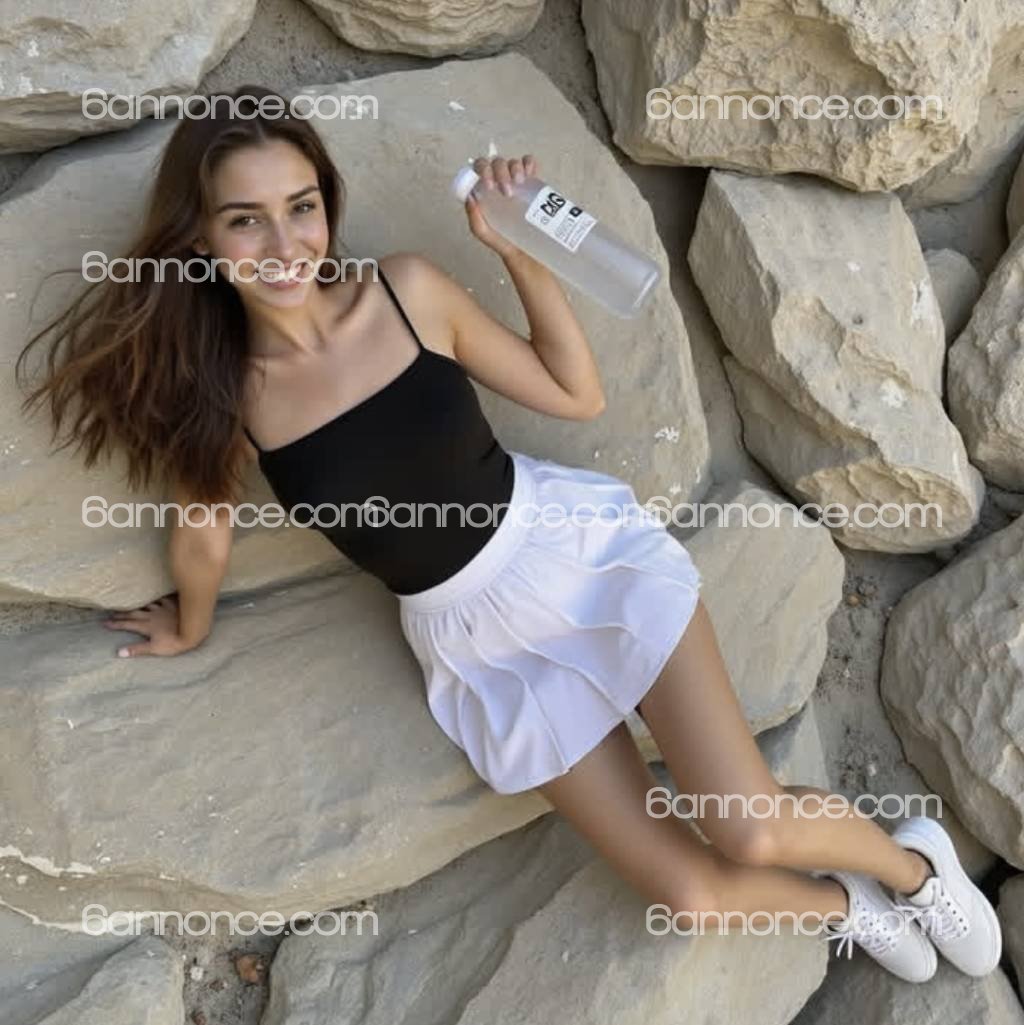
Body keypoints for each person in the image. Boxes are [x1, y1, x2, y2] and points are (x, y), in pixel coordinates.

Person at [14, 85, 1001, 982]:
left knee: (745, 828)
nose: (283, 243)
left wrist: (516, 251)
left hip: (571, 557)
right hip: (476, 642)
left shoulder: (405, 293)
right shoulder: (227, 396)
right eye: (245, 220)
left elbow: (576, 392)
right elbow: (202, 532)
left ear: (326, 204)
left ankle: (912, 866)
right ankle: (846, 906)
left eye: (300, 206)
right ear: (198, 239)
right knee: (689, 891)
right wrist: (188, 623)